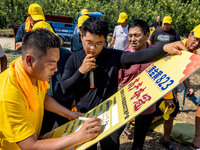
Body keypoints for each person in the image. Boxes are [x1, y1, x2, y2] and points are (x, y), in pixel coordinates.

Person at [61, 17, 186, 150]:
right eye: (88, 42)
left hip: (110, 116)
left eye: (99, 43)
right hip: (85, 116)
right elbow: (65, 88)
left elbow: (138, 56)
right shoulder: (74, 58)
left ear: (106, 40)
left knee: (110, 145)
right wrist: (81, 71)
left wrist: (164, 48)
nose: (93, 48)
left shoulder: (113, 56)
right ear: (81, 37)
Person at [0, 29, 102, 150]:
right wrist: (79, 136)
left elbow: (43, 97)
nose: (55, 69)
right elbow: (30, 146)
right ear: (29, 60)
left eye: (57, 63)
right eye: (51, 63)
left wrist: (69, 114)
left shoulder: (30, 70)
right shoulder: (9, 95)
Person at [30, 21, 80, 135]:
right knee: (42, 133)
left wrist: (74, 97)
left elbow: (75, 77)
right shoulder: (31, 62)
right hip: (43, 106)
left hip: (64, 102)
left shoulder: (66, 55)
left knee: (68, 133)